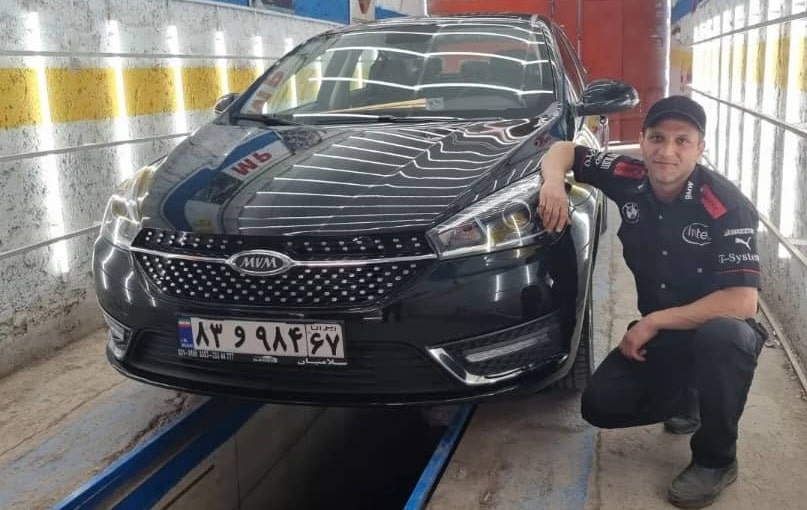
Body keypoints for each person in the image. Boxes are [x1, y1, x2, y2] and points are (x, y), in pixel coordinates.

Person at [537, 95, 768, 509]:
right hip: (667, 331)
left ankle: (716, 459)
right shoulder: (628, 175)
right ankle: (690, 396)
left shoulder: (726, 206)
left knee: (724, 337)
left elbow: (742, 301)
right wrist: (552, 183)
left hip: (716, 327)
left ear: (700, 149)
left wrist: (653, 322)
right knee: (600, 405)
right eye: (658, 138)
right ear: (641, 141)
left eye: (682, 141)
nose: (667, 151)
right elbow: (564, 150)